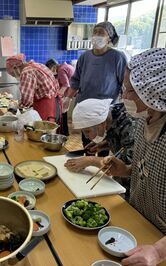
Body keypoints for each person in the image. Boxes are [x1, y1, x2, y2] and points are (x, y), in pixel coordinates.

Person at [102, 48, 166, 265]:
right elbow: (148, 167)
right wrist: (125, 170)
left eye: (130, 90)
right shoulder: (146, 118)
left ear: (155, 91)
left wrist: (159, 252)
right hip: (141, 224)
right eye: (124, 88)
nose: (123, 96)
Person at [66, 21, 127, 154]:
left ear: (109, 37)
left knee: (104, 144)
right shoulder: (85, 56)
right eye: (95, 32)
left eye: (101, 33)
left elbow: (125, 84)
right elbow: (76, 80)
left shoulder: (117, 57)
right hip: (84, 109)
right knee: (88, 143)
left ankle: (99, 164)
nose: (96, 35)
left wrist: (126, 105)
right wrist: (68, 98)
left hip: (103, 111)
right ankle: (87, 165)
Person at [64, 98, 135, 199]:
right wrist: (105, 144)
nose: (87, 137)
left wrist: (91, 160)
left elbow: (128, 164)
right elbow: (122, 144)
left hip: (133, 186)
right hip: (118, 182)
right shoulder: (110, 115)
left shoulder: (129, 124)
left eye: (87, 131)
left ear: (101, 124)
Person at [6, 54, 61, 123]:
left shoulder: (26, 72)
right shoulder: (38, 65)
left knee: (41, 131)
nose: (15, 76)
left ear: (15, 67)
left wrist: (15, 107)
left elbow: (26, 100)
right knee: (48, 130)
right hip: (54, 102)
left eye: (13, 74)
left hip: (44, 106)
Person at [45, 58, 75, 135]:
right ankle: (64, 132)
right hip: (71, 93)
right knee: (63, 112)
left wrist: (57, 95)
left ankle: (63, 133)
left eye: (50, 70)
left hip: (70, 93)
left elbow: (66, 85)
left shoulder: (61, 70)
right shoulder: (65, 66)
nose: (51, 72)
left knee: (62, 112)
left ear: (53, 67)